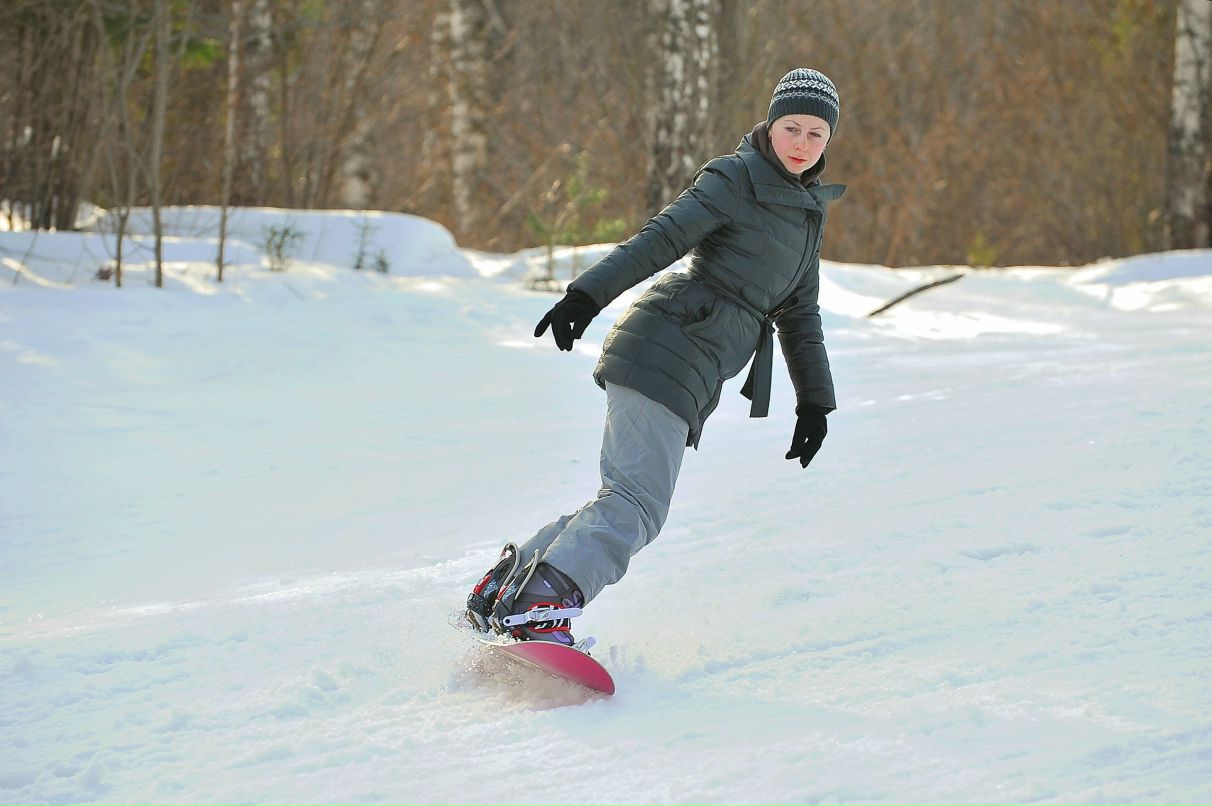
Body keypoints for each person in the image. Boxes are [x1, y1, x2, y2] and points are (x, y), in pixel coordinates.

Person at [465, 68, 846, 646]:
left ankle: (507, 590)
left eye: (816, 134)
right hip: (669, 345)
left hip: (689, 361)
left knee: (621, 497)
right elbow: (662, 238)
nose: (801, 143)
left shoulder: (805, 214)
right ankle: (543, 600)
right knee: (638, 506)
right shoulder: (735, 178)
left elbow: (800, 315)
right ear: (770, 125)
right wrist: (587, 294)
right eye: (791, 127)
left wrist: (814, 403)